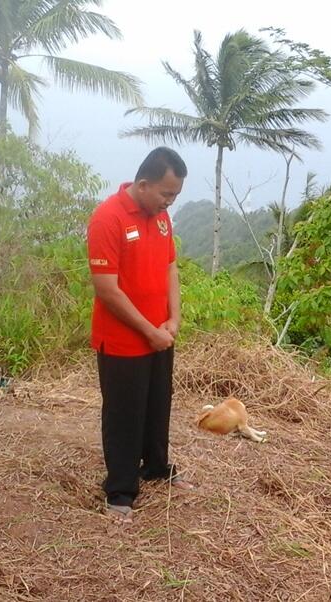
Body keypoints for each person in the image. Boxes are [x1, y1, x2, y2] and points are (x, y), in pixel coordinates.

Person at [87, 146, 193, 524]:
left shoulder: (161, 219)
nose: (169, 203)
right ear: (143, 184)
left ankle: (156, 467)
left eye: (175, 196)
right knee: (124, 416)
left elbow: (170, 269)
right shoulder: (108, 218)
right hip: (123, 343)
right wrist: (148, 330)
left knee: (156, 406)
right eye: (166, 194)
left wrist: (173, 321)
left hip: (160, 337)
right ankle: (119, 490)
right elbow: (107, 289)